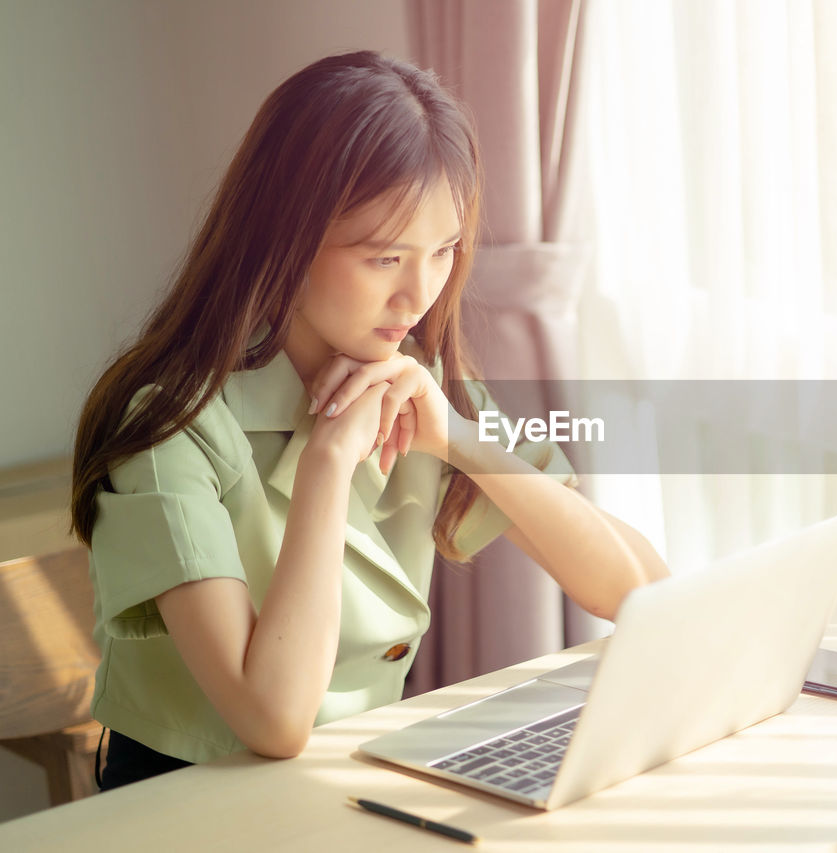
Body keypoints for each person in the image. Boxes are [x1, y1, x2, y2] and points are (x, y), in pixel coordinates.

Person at [69, 50, 668, 790]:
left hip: (353, 784)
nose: (418, 293)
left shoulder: (415, 380)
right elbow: (275, 719)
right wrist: (327, 461)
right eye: (385, 258)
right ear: (285, 240)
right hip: (189, 802)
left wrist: (459, 437)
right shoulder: (171, 427)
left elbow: (638, 587)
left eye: (444, 251)